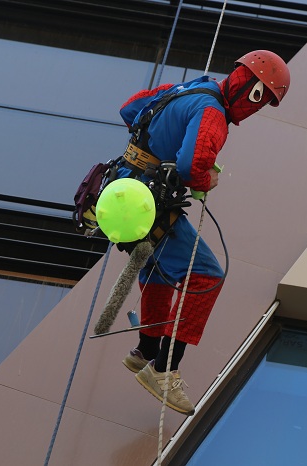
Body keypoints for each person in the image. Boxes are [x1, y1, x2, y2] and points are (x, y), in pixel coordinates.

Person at [117, 50, 290, 415]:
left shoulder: (190, 87)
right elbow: (192, 164)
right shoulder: (214, 113)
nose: (256, 109)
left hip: (121, 193)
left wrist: (156, 148)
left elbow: (130, 109)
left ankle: (146, 349)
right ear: (251, 90)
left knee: (160, 269)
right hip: (144, 202)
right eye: (260, 100)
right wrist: (206, 177)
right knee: (207, 276)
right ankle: (163, 369)